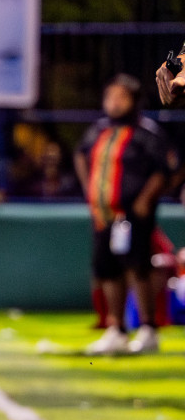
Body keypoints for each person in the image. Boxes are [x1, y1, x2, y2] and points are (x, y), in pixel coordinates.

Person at [75, 74, 177, 355]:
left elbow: (164, 169)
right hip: (103, 213)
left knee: (137, 267)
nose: (114, 103)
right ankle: (116, 329)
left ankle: (147, 328)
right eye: (110, 96)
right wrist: (89, 190)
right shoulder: (99, 130)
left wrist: (145, 199)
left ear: (133, 100)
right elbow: (81, 155)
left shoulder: (146, 132)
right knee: (107, 269)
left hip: (132, 213)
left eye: (121, 97)